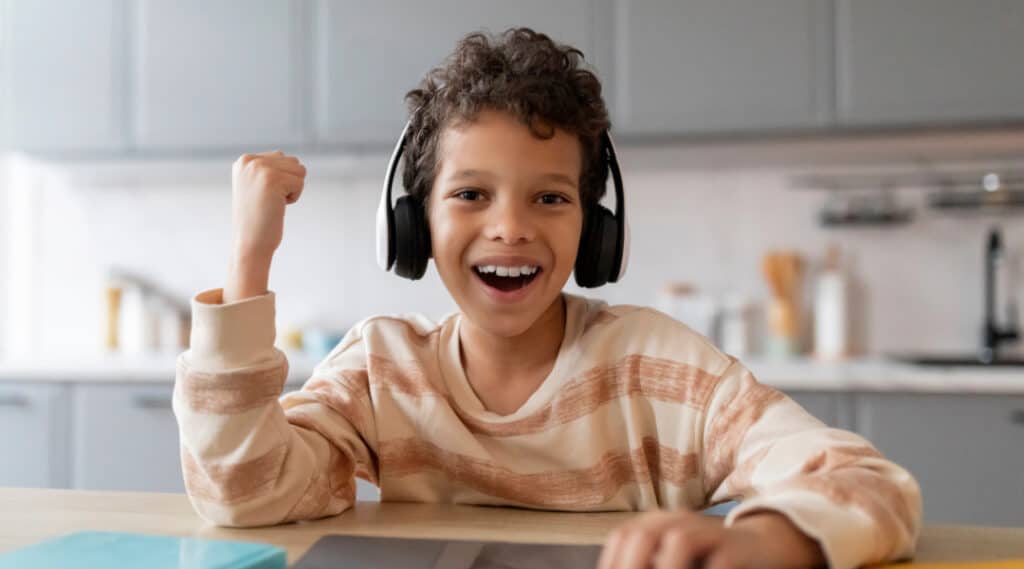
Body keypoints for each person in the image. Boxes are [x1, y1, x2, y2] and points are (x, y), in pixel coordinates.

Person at [173, 28, 920, 569]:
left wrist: (762, 540)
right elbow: (242, 492)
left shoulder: (658, 370)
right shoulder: (381, 368)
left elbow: (873, 485)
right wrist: (250, 259)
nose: (510, 227)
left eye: (550, 197)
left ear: (596, 232)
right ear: (412, 224)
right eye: (470, 193)